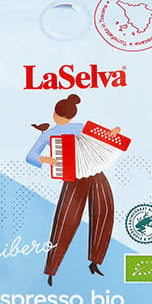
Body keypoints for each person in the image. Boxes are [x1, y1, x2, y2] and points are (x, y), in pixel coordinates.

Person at [26, 94, 119, 286]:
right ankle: (51, 270)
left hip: (95, 172)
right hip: (72, 176)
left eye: (63, 117)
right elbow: (31, 156)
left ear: (58, 115)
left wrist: (114, 133)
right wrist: (45, 159)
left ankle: (95, 262)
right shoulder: (49, 134)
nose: (60, 119)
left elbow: (107, 136)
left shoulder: (82, 127)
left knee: (104, 210)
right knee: (65, 219)